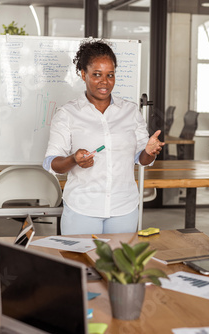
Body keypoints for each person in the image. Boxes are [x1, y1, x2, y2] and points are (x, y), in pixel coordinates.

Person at [43, 39, 164, 235]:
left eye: (110, 75)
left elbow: (141, 158)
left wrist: (150, 152)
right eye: (97, 75)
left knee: (119, 265)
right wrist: (74, 159)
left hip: (124, 208)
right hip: (82, 210)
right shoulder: (67, 114)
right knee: (80, 265)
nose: (105, 82)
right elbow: (51, 162)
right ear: (83, 74)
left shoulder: (131, 112)